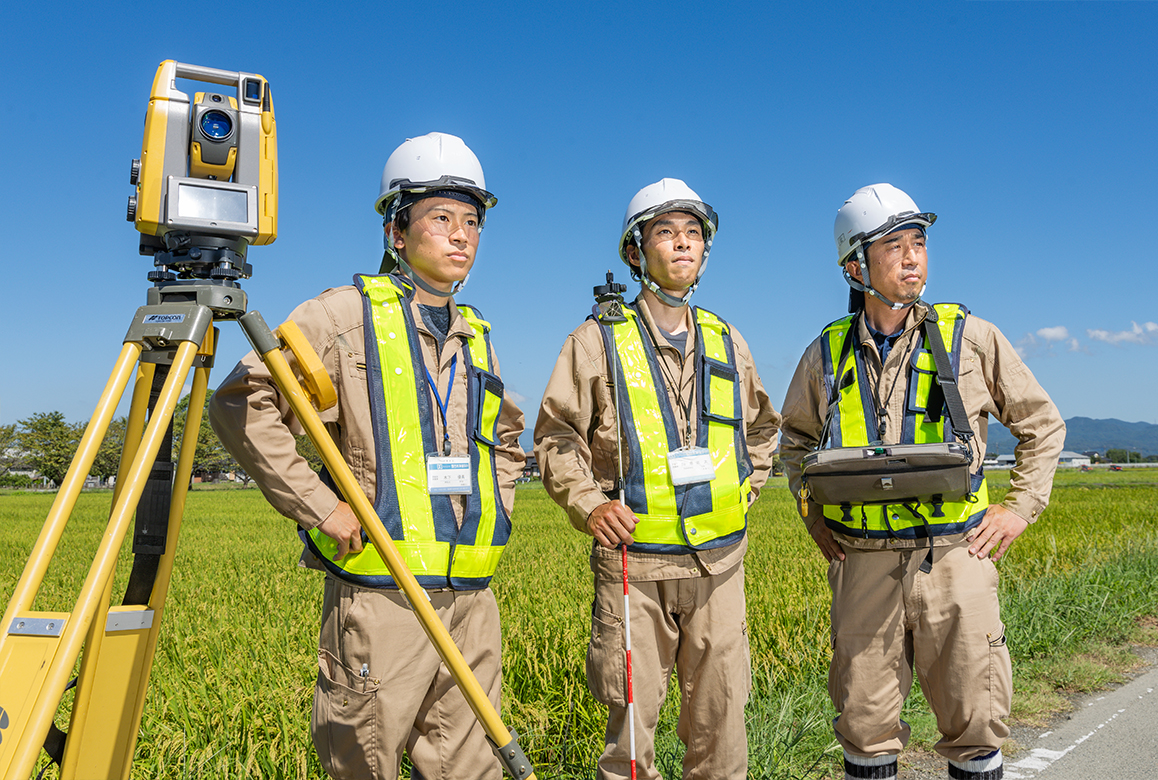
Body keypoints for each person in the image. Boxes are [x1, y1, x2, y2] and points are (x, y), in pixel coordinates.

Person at [209, 132, 524, 780]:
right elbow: (242, 403)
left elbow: (510, 439)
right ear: (396, 230)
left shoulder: (478, 337)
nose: (461, 235)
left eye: (472, 221)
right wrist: (321, 506)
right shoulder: (344, 316)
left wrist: (500, 508)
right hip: (380, 603)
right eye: (441, 218)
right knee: (365, 766)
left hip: (470, 603)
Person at [779, 183, 1065, 780]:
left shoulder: (971, 337)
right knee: (863, 720)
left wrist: (1019, 507)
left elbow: (1042, 425)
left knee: (976, 716)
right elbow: (795, 444)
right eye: (894, 245)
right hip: (861, 562)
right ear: (855, 265)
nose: (913, 257)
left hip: (955, 555)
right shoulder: (826, 354)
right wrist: (812, 512)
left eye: (920, 242)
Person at [534, 178, 781, 780]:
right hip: (635, 567)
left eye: (693, 234)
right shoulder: (595, 341)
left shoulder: (727, 339)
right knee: (630, 735)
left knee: (722, 725)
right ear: (634, 251)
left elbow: (764, 427)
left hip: (720, 565)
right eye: (665, 233)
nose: (682, 245)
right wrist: (590, 504)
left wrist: (752, 480)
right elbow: (556, 436)